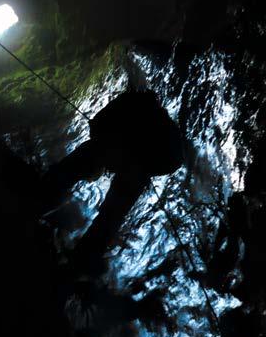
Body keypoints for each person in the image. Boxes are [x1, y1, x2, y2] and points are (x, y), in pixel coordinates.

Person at [42, 89, 184, 275]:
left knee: (88, 169)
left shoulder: (135, 109)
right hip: (133, 163)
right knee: (110, 216)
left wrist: (138, 165)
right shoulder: (164, 126)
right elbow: (173, 160)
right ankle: (81, 261)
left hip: (136, 164)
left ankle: (42, 197)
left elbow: (97, 124)